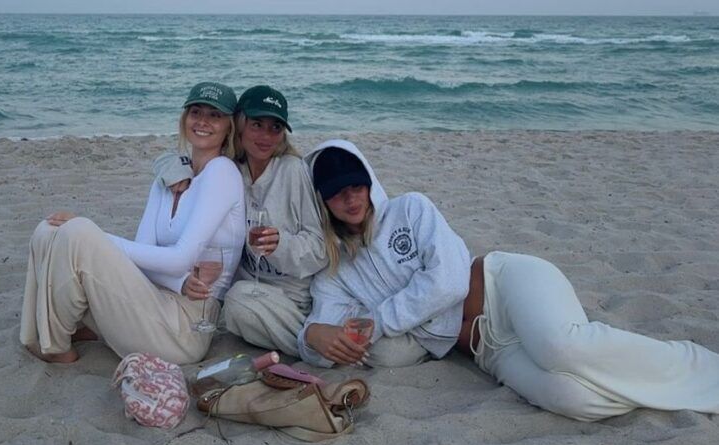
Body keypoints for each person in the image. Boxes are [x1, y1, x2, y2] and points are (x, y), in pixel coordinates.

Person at [298, 139, 719, 422]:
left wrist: (380, 321)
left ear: (370, 182)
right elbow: (328, 336)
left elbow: (448, 282)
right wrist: (313, 337)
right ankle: (663, 385)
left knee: (564, 346)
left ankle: (704, 370)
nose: (351, 198)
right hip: (484, 351)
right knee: (573, 399)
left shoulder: (410, 209)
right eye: (337, 192)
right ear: (322, 200)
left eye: (357, 185)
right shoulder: (333, 272)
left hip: (503, 286)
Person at [19, 82, 246, 364]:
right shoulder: (170, 176)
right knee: (49, 230)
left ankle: (56, 348)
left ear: (229, 127)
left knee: (78, 231)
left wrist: (95, 237)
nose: (202, 121)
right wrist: (179, 281)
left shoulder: (222, 173)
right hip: (149, 297)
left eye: (215, 116)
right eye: (196, 112)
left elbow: (179, 259)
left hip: (185, 326)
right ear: (184, 118)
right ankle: (69, 328)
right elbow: (142, 255)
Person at [222, 85, 327, 357]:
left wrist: (281, 244)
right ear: (240, 124)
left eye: (275, 128)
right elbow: (188, 157)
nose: (266, 136)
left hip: (291, 300)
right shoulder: (230, 170)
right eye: (257, 124)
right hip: (249, 289)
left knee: (236, 301)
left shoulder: (292, 170)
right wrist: (170, 167)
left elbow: (321, 249)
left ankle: (314, 347)